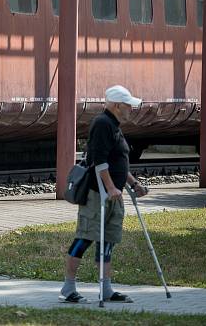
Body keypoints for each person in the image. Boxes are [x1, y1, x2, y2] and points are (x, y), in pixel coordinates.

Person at [59, 85, 149, 304]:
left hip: (114, 195)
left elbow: (118, 162)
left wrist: (133, 183)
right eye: (128, 105)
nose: (131, 109)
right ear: (118, 105)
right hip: (97, 194)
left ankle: (106, 290)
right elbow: (99, 161)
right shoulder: (102, 124)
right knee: (85, 238)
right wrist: (109, 187)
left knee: (107, 241)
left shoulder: (114, 125)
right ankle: (68, 288)